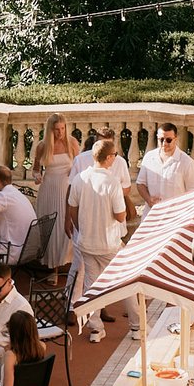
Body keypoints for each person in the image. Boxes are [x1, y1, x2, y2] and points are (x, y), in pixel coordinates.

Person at [65, 138, 128, 339]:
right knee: (125, 280)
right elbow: (120, 216)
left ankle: (96, 328)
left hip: (86, 242)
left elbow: (72, 209)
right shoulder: (111, 181)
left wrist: (82, 229)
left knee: (91, 285)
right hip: (108, 244)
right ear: (109, 158)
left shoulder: (80, 179)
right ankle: (136, 326)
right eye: (115, 155)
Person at [32, 117, 78, 271]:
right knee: (51, 227)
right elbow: (36, 169)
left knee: (65, 225)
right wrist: (37, 176)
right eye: (57, 129)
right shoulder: (42, 146)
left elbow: (79, 165)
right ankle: (53, 268)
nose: (60, 132)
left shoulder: (71, 142)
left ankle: (66, 263)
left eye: (63, 128)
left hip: (66, 188)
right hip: (49, 189)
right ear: (50, 130)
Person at [136, 122, 194, 207]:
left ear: (176, 139)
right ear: (157, 138)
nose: (164, 143)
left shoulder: (188, 163)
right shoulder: (149, 157)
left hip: (175, 216)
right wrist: (148, 199)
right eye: (161, 139)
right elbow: (140, 183)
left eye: (168, 140)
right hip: (152, 214)